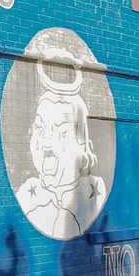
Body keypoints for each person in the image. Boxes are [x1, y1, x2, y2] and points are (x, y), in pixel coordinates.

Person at [17, 59, 106, 239]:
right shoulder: (27, 195)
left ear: (84, 147)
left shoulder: (94, 189)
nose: (47, 140)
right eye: (40, 128)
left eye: (61, 131)